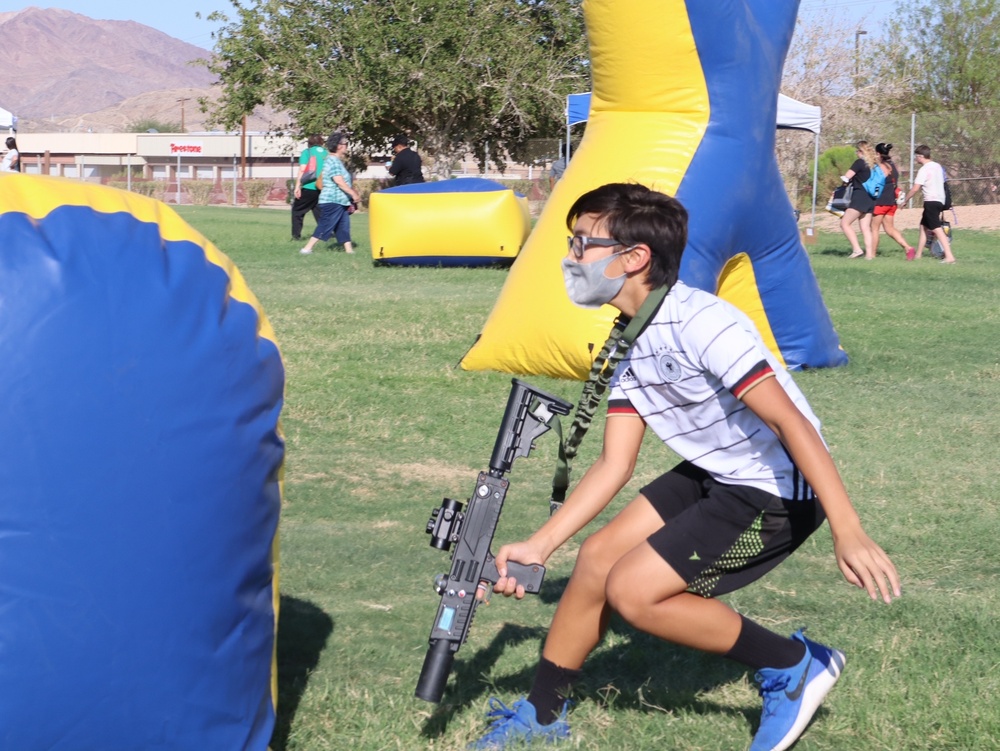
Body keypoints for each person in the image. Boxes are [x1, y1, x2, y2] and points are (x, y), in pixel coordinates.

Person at [470, 182, 900, 751]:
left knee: (635, 593)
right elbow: (613, 463)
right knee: (598, 558)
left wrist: (849, 530)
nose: (570, 257)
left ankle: (795, 664)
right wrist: (540, 545)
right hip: (718, 471)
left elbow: (792, 424)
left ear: (634, 257)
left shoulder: (701, 322)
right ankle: (543, 715)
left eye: (581, 243)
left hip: (776, 491)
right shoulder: (626, 338)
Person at [299, 133, 361, 255]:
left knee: (343, 226)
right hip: (332, 200)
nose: (347, 146)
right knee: (325, 225)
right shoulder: (333, 160)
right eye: (345, 143)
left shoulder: (335, 161)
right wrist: (353, 194)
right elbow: (339, 181)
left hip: (341, 201)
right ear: (338, 146)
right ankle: (306, 249)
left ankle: (349, 251)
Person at [898, 144, 956, 264]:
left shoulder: (924, 169)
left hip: (931, 201)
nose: (916, 159)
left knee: (937, 229)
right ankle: (918, 255)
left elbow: (915, 188)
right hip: (940, 200)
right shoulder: (938, 166)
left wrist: (905, 201)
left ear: (920, 156)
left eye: (916, 157)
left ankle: (949, 256)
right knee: (923, 226)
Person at [870, 143, 915, 260]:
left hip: (880, 201)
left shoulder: (879, 166)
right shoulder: (893, 166)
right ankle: (908, 247)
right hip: (891, 202)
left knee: (874, 229)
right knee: (889, 229)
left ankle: (872, 255)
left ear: (878, 153)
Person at [839, 141, 877, 259]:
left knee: (845, 223)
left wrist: (842, 184)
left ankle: (857, 249)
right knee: (865, 228)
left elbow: (847, 177)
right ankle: (869, 255)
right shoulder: (873, 165)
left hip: (859, 197)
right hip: (871, 199)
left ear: (861, 151)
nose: (856, 153)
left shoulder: (859, 163)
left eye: (857, 151)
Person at [291, 134, 328, 241]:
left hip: (309, 187)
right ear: (321, 142)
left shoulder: (307, 153)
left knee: (297, 211)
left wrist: (297, 186)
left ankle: (296, 237)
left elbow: (302, 170)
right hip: (322, 188)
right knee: (319, 213)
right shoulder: (327, 153)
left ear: (309, 143)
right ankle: (325, 236)